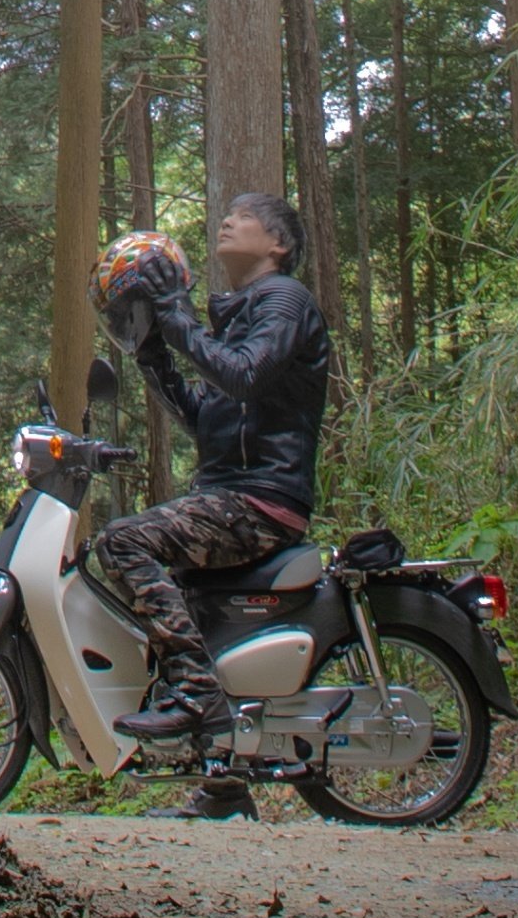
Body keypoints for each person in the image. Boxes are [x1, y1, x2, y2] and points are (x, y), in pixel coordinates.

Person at [81, 202, 333, 715]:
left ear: (278, 246)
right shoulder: (242, 313)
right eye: (228, 214)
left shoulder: (284, 299)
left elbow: (243, 375)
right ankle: (206, 745)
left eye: (245, 216)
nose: (228, 221)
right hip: (232, 496)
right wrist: (154, 355)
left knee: (121, 542)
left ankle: (197, 689)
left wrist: (177, 316)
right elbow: (204, 417)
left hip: (259, 501)